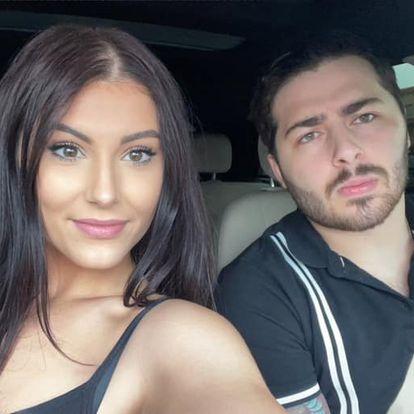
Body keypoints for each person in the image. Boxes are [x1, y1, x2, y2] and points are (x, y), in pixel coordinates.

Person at [0, 25, 285, 414]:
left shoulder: (181, 336)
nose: (105, 193)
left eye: (137, 154)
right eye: (67, 150)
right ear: (17, 158)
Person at [216, 32, 414, 413]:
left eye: (365, 117)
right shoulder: (260, 292)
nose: (346, 151)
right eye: (309, 135)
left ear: (406, 131)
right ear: (277, 170)